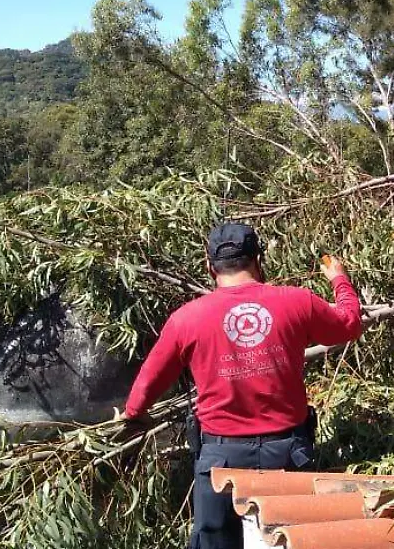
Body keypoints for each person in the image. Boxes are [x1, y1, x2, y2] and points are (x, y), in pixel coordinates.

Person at [118, 222, 363, 549]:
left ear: (209, 267)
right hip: (288, 454)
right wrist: (339, 280)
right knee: (288, 541)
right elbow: (348, 324)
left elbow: (149, 381)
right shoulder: (297, 302)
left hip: (220, 461)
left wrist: (133, 414)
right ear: (258, 259)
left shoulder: (187, 319)